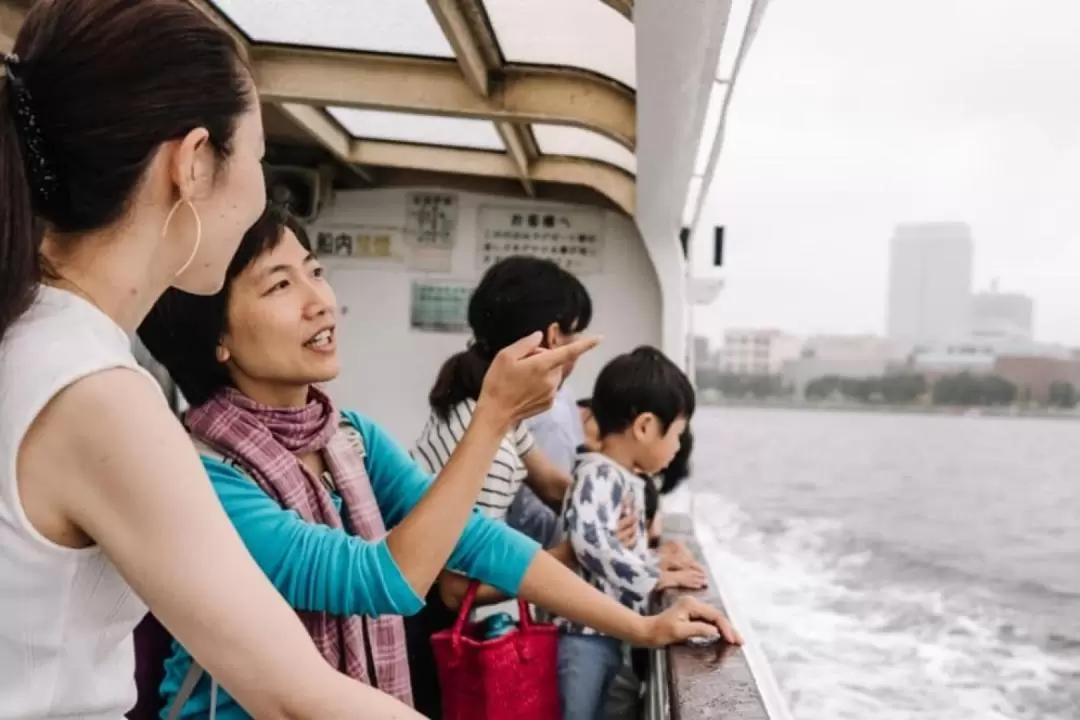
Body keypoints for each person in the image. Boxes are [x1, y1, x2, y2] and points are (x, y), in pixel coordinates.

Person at [139, 208, 738, 718]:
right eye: (279, 286)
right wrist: (493, 419)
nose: (319, 301)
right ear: (216, 336)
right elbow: (379, 581)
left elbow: (479, 541)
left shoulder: (351, 439)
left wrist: (642, 627)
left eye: (315, 272)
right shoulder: (205, 472)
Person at [0, 2, 421, 717]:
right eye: (256, 158)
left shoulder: (31, 335)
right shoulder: (97, 395)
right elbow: (298, 698)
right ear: (192, 163)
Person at [557, 347, 731, 720]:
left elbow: (618, 551)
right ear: (646, 426)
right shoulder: (598, 474)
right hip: (584, 636)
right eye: (678, 435)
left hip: (610, 634)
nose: (678, 447)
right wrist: (654, 577)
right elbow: (590, 545)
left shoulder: (625, 479)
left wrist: (654, 560)